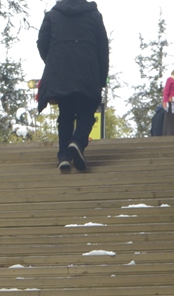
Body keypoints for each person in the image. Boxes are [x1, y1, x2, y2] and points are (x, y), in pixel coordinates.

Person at [35, 0, 108, 173]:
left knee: (66, 113)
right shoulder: (94, 16)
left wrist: (54, 60)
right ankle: (77, 142)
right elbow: (103, 48)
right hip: (87, 70)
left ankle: (64, 157)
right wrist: (101, 78)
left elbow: (41, 42)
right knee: (87, 111)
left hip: (61, 71)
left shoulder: (52, 15)